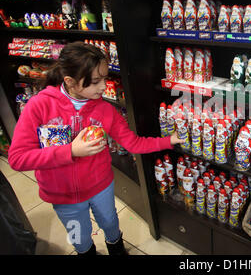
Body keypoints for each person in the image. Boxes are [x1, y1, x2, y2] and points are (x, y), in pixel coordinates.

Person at [8, 42, 184, 255]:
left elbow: (133, 143)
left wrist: (169, 140)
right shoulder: (40, 106)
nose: (103, 87)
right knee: (80, 239)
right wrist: (70, 151)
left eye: (105, 78)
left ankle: (117, 250)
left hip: (101, 187)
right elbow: (18, 159)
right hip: (63, 196)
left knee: (111, 224)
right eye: (95, 81)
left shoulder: (105, 110)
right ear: (70, 82)